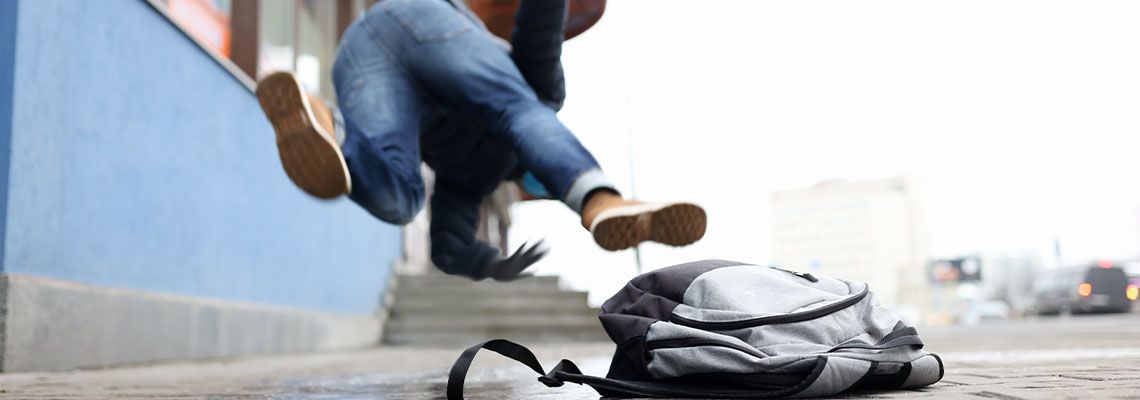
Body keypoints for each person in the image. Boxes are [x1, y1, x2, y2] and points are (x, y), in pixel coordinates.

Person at [255, 0, 705, 281]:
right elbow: (538, 31)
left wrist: (489, 264)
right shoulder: (543, 96)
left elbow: (447, 246)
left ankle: (326, 125)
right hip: (426, 20)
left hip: (363, 54)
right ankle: (599, 200)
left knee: (400, 198)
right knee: (523, 109)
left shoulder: (469, 183)